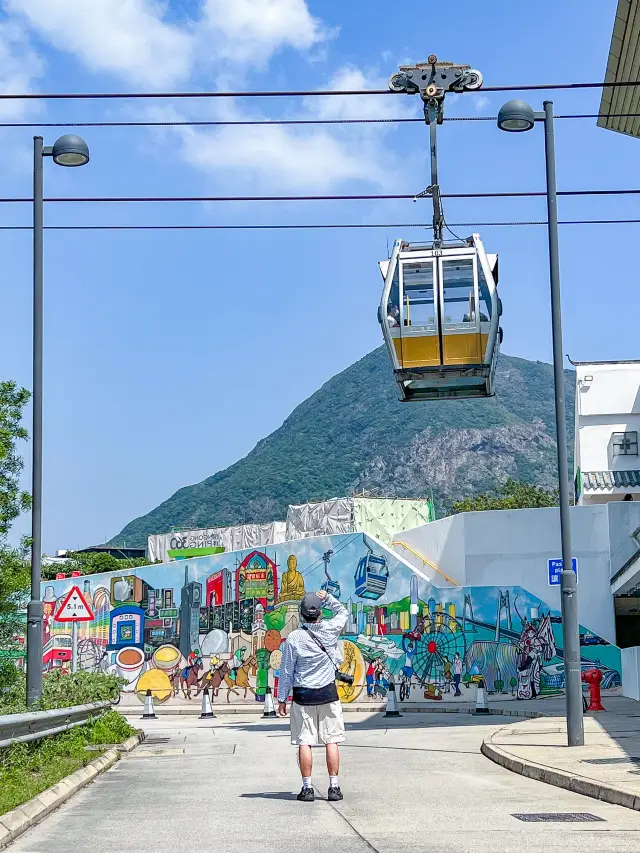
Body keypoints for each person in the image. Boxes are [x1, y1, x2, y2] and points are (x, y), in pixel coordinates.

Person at [277, 590, 348, 803]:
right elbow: (343, 612)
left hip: (303, 696)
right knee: (331, 741)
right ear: (320, 613)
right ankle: (333, 787)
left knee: (305, 742)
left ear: (301, 613)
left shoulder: (293, 638)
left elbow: (287, 671)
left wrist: (282, 698)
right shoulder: (330, 629)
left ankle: (307, 788)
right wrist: (328, 598)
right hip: (328, 693)